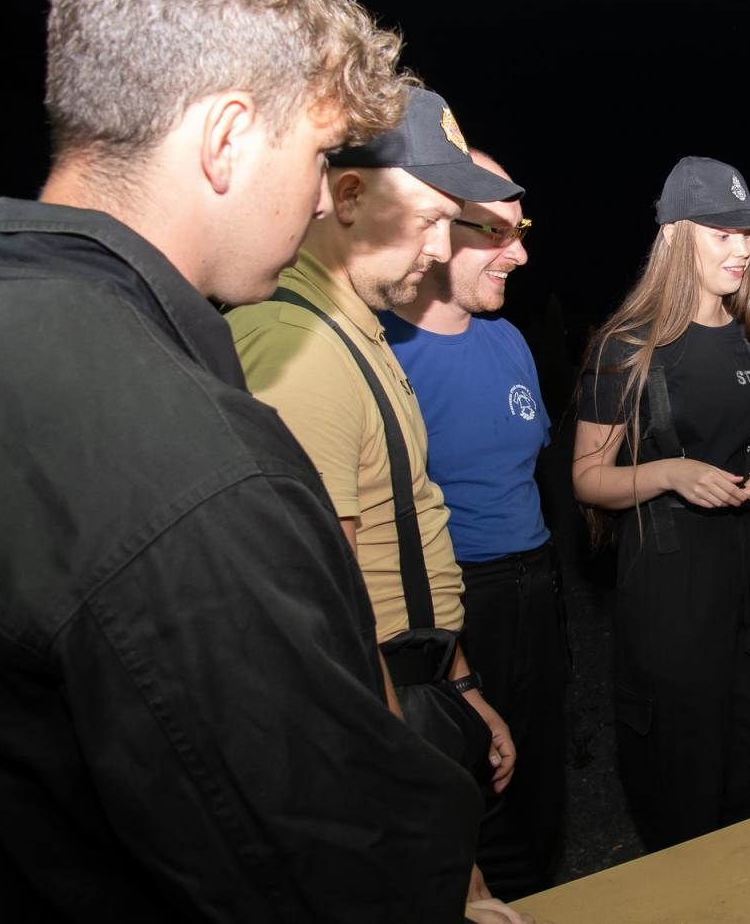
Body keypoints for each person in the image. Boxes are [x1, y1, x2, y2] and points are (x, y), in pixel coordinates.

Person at [0, 0, 516, 923]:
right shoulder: (197, 468)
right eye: (317, 156)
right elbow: (330, 866)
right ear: (226, 139)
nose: (318, 197)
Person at [226, 88, 527, 894]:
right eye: (427, 220)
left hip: (414, 685)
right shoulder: (297, 347)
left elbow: (404, 541)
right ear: (349, 196)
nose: (441, 248)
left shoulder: (355, 327)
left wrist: (460, 686)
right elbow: (324, 628)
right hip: (370, 718)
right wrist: (439, 851)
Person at [573, 156, 750, 850]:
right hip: (670, 578)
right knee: (681, 767)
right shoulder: (627, 348)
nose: (742, 248)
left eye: (747, 233)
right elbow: (587, 479)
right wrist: (671, 472)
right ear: (673, 236)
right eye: (722, 233)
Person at [383, 150, 568, 896]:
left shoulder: (508, 340)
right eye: (495, 232)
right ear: (433, 230)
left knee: (541, 774)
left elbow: (532, 469)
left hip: (537, 585)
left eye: (522, 232)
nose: (518, 254)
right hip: (454, 605)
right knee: (471, 785)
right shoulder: (385, 353)